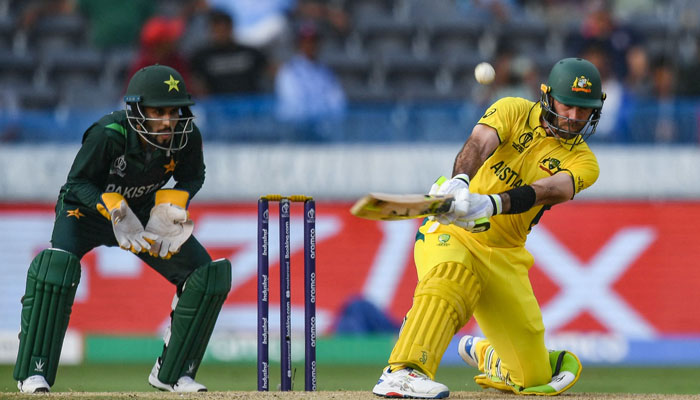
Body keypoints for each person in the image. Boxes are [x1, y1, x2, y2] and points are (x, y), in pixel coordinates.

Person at [372, 57, 606, 398]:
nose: (573, 118)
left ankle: (491, 356)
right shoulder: (512, 109)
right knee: (452, 277)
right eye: (567, 105)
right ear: (548, 96)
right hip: (455, 228)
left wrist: (492, 204)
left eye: (583, 110)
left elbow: (550, 189)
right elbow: (479, 143)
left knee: (533, 378)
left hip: (506, 254)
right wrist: (459, 183)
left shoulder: (585, 161)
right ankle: (404, 371)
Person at [13, 64, 232, 393]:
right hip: (86, 212)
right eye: (158, 111)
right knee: (56, 268)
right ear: (137, 110)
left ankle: (172, 374)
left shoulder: (187, 137)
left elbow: (193, 176)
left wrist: (170, 203)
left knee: (206, 276)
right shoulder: (108, 134)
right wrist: (113, 206)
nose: (168, 121)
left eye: (174, 111)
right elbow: (76, 184)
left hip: (143, 214)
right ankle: (33, 372)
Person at [274, 21, 346, 123]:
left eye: (313, 41)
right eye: (306, 41)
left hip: (323, 128)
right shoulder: (289, 71)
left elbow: (337, 103)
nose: (310, 45)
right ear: (298, 43)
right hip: (296, 129)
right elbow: (294, 105)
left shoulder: (326, 72)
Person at [189, 9, 269, 96]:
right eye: (217, 30)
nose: (221, 34)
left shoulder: (250, 53)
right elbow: (195, 82)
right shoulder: (201, 57)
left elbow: (269, 71)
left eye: (224, 30)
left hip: (249, 104)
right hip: (215, 105)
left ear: (231, 28)